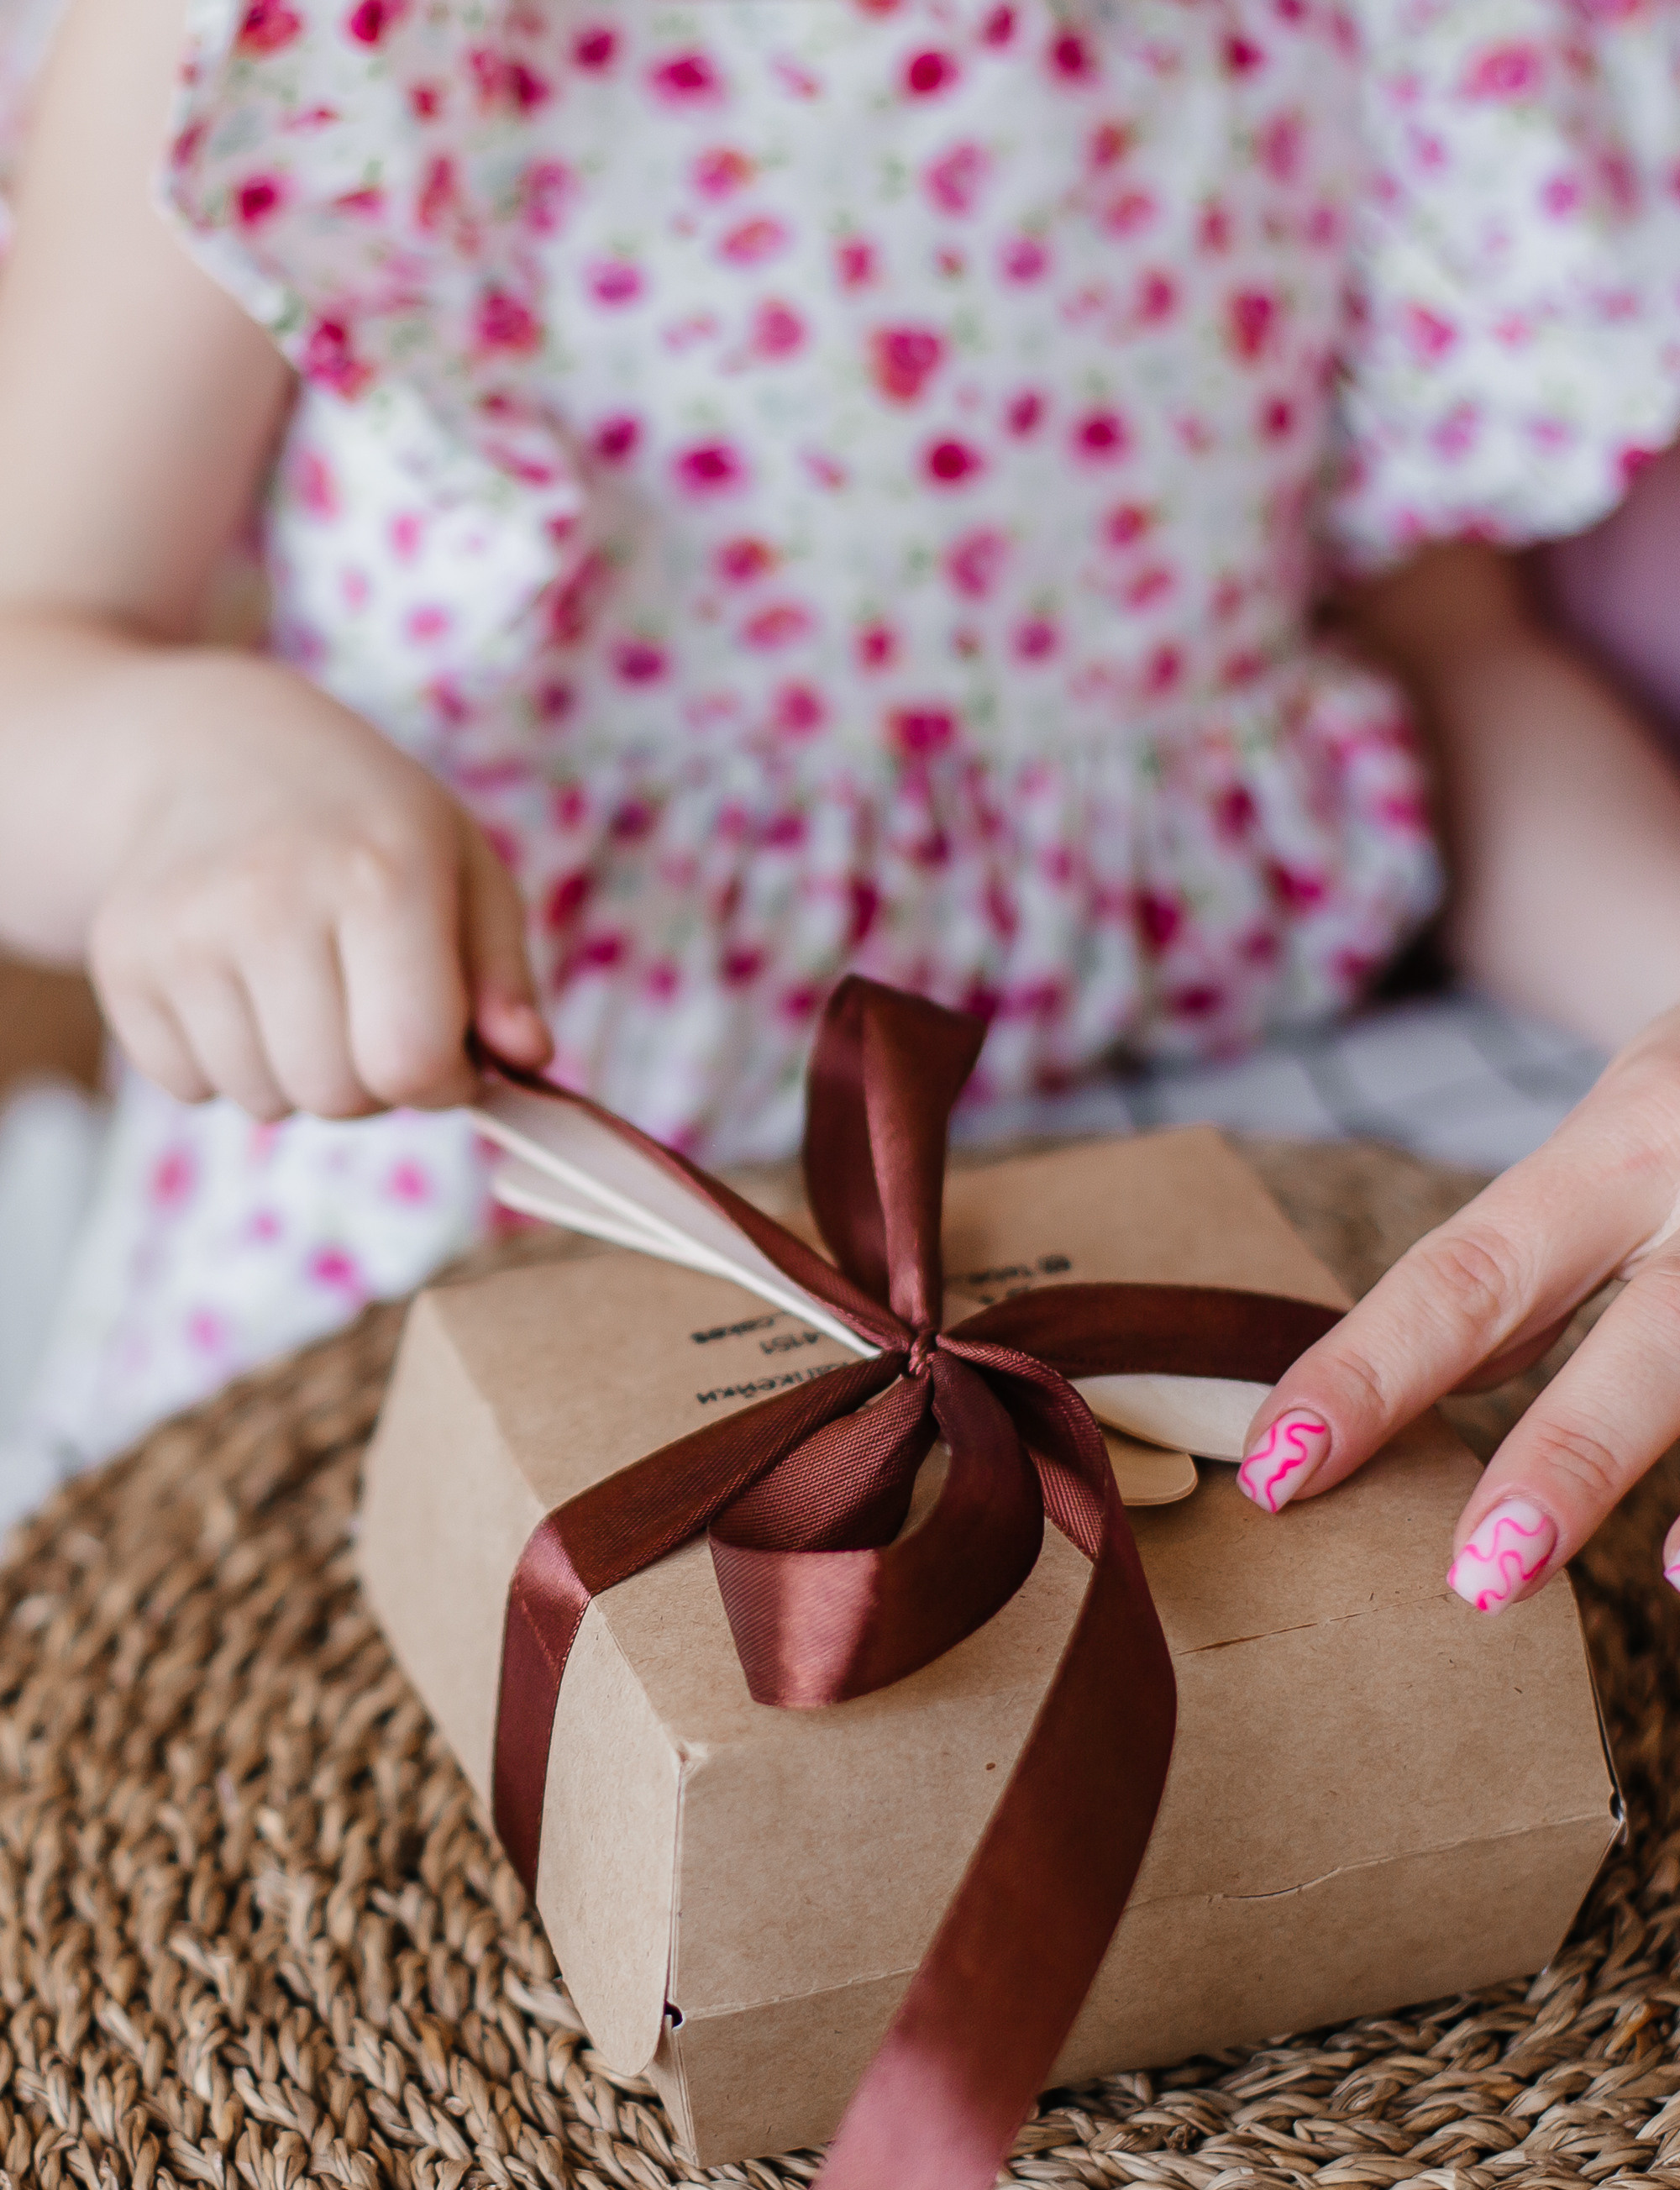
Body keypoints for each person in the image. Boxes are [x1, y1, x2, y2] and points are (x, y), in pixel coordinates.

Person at [1, 0, 1679, 1597]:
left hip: (1211, 1141)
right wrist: (188, 785)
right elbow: (33, 644)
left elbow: (1453, 671)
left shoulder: (1343, 32)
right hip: (531, 1178)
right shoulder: (304, 40)